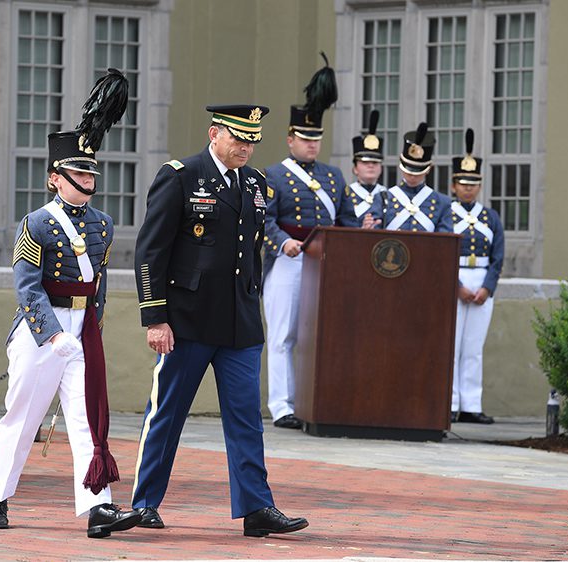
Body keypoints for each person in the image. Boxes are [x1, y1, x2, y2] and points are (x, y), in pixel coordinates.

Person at [132, 104, 309, 537]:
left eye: (252, 140)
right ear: (214, 133)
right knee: (167, 413)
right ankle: (145, 503)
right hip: (188, 321)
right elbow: (149, 252)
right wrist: (156, 318)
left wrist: (252, 298)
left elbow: (250, 254)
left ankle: (256, 507)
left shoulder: (256, 182)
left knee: (246, 417)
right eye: (238, 138)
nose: (246, 147)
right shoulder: (180, 176)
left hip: (239, 324)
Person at [0, 69, 142, 539]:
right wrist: (52, 334)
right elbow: (27, 286)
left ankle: (98, 508)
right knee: (23, 415)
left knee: (86, 419)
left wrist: (88, 329)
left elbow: (101, 282)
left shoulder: (105, 224)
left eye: (90, 171)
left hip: (82, 329)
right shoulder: (35, 223)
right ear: (55, 177)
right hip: (42, 331)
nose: (87, 179)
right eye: (77, 172)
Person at [262, 54, 342, 430]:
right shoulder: (274, 175)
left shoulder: (333, 176)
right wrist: (281, 243)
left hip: (326, 264)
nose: (312, 145)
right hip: (290, 261)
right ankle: (282, 405)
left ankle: (316, 403)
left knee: (322, 336)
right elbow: (264, 219)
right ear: (291, 138)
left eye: (317, 139)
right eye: (306, 139)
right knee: (283, 335)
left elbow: (344, 219)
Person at [450, 129, 504, 424]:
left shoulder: (490, 217)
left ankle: (471, 403)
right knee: (452, 345)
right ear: (454, 184)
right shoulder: (446, 213)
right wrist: (456, 286)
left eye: (473, 183)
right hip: (455, 280)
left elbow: (498, 256)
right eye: (463, 183)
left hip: (481, 280)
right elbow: (442, 251)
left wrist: (487, 288)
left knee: (473, 347)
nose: (468, 188)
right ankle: (450, 402)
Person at [361, 122, 453, 233]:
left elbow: (445, 242)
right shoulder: (382, 199)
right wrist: (368, 229)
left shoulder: (442, 203)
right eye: (408, 168)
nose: (412, 175)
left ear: (428, 169)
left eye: (418, 170)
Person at [337, 109, 387, 227]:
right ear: (355, 169)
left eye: (375, 163)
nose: (371, 166)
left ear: (381, 169)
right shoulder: (346, 195)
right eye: (365, 163)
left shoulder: (387, 195)